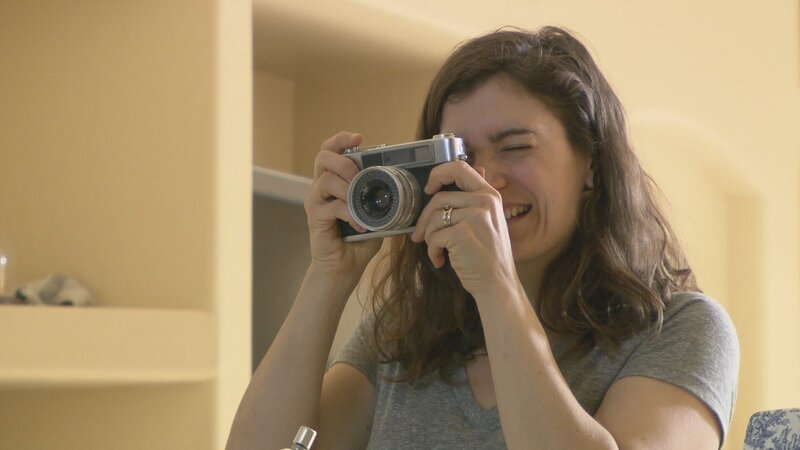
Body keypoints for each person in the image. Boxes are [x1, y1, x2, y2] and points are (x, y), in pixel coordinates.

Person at [227, 26, 739, 449]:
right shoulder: (405, 339)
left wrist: (496, 287)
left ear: (592, 165)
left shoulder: (682, 330)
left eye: (515, 147)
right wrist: (328, 276)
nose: (486, 182)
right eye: (462, 157)